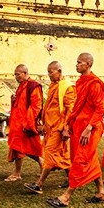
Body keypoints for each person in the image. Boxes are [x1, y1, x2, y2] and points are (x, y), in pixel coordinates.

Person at [46, 53, 104, 208]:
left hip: (90, 127)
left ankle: (66, 196)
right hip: (80, 125)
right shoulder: (81, 82)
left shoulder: (95, 83)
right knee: (88, 157)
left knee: (82, 159)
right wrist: (69, 123)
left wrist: (89, 128)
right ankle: (101, 192)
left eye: (79, 62)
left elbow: (101, 108)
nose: (76, 65)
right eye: (77, 62)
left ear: (88, 64)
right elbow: (78, 106)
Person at [24, 61, 75, 194]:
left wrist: (66, 128)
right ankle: (72, 178)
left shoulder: (67, 87)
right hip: (50, 126)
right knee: (62, 155)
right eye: (48, 72)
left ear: (59, 71)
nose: (49, 75)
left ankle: (39, 184)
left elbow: (70, 109)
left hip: (59, 127)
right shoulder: (53, 86)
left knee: (50, 154)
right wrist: (43, 121)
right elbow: (49, 106)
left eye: (51, 72)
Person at [5, 64, 43, 182]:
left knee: (29, 148)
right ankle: (18, 172)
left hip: (26, 123)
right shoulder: (22, 86)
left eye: (18, 74)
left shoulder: (33, 86)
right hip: (17, 123)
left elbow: (36, 106)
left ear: (25, 73)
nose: (16, 77)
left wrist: (28, 123)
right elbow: (20, 105)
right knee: (18, 148)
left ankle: (42, 166)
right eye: (15, 74)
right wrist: (13, 101)